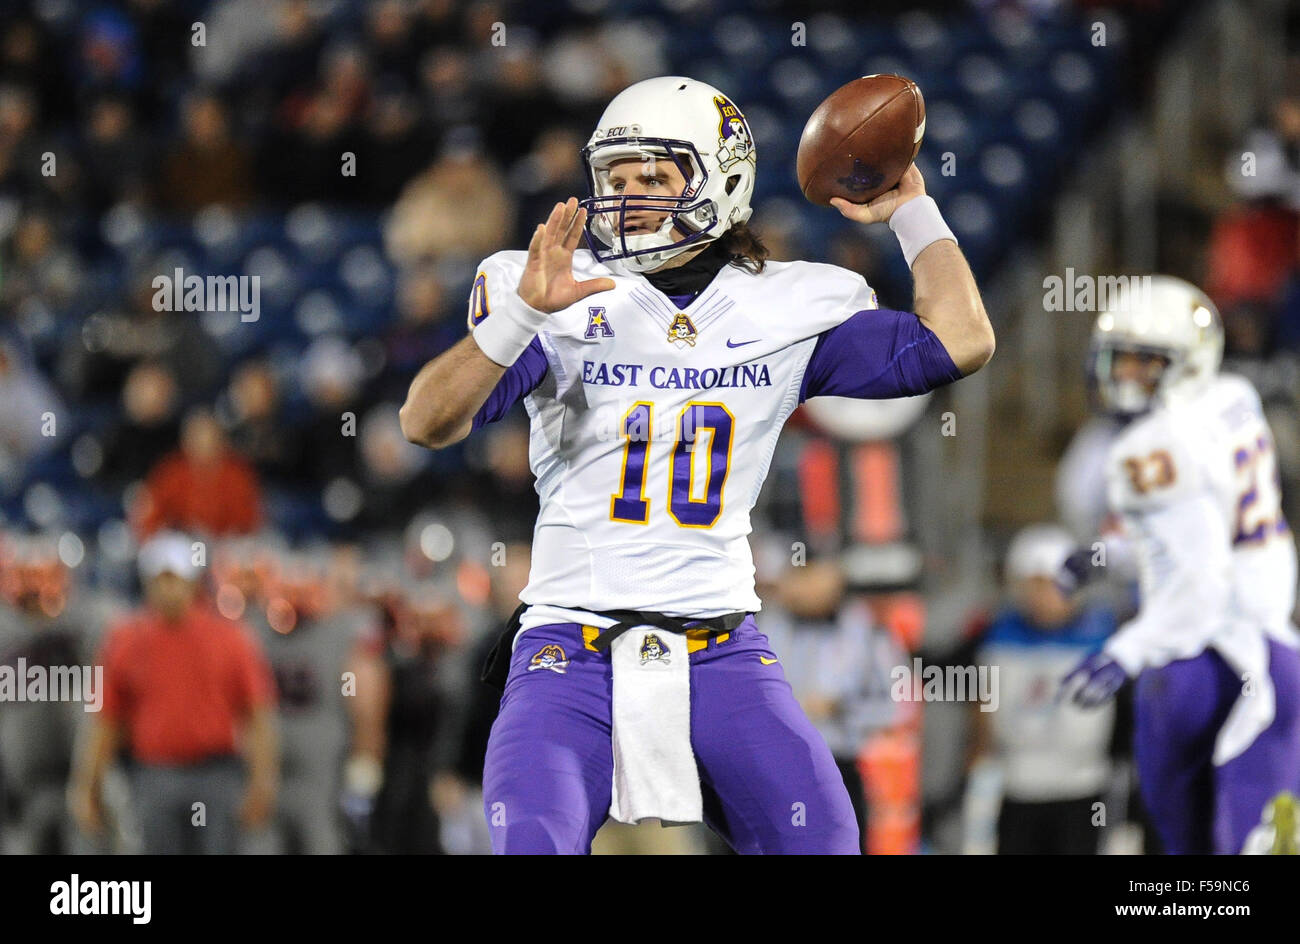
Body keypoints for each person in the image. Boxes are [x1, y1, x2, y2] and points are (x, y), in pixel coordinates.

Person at [400, 75, 995, 855]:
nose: (628, 196)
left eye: (653, 176)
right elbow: (426, 421)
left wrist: (912, 211)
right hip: (567, 646)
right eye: (613, 178)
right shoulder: (552, 289)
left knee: (824, 841)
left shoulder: (789, 303)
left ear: (720, 180)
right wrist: (521, 317)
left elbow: (963, 338)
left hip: (722, 647)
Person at [1060, 276, 1300, 855]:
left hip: (1200, 664)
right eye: (1119, 360)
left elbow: (1202, 579)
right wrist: (1106, 557)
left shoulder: (1149, 449)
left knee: (1193, 865)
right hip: (1281, 653)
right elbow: (1205, 531)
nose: (1124, 376)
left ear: (1186, 362)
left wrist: (1127, 651)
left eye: (1145, 361)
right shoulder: (1235, 398)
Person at [68, 531, 279, 854]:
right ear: (147, 582)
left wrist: (262, 782)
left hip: (216, 774)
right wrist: (87, 786)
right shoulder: (124, 640)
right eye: (160, 579)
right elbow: (107, 720)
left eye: (175, 579)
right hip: (154, 774)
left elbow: (257, 714)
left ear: (193, 583)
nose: (168, 589)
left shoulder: (230, 639)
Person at [970, 524, 1117, 855]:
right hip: (1019, 786)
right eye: (1034, 586)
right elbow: (980, 704)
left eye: (1054, 586)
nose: (1044, 598)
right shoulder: (998, 638)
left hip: (1082, 787)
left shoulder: (1104, 637)